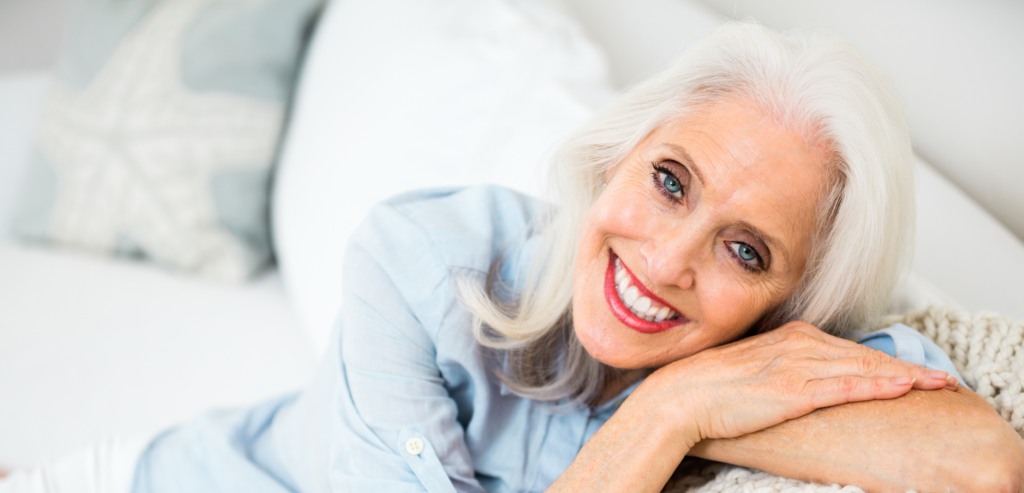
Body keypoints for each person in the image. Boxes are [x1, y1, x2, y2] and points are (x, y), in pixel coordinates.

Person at [4, 21, 1022, 493]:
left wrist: (692, 397)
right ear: (615, 154)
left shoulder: (781, 358)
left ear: (792, 302)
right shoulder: (422, 260)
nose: (667, 258)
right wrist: (670, 411)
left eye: (744, 249)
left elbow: (981, 460)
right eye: (671, 179)